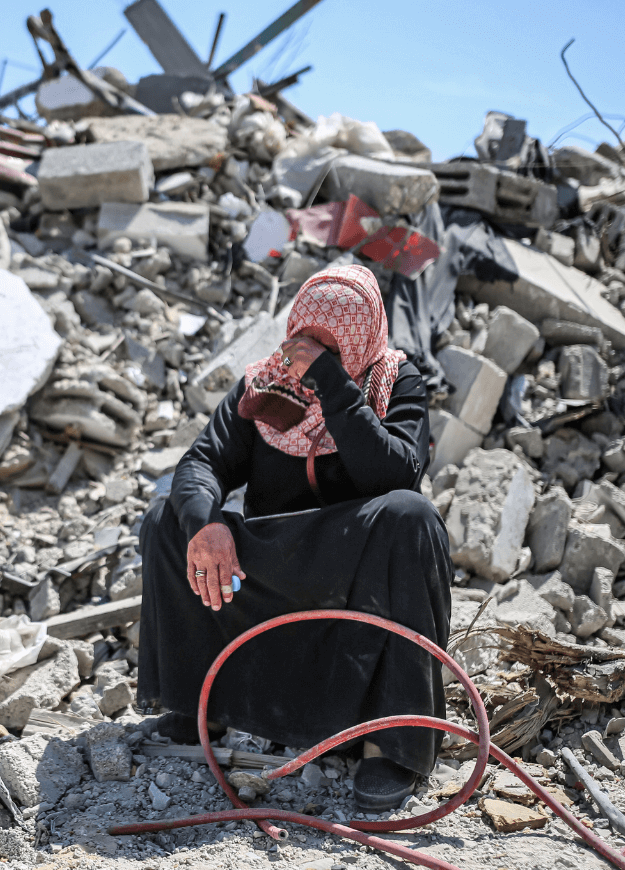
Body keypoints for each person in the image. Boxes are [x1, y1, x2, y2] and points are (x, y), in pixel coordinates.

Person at [136, 264, 452, 811]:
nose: (307, 353)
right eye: (304, 337)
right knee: (169, 520)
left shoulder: (394, 383)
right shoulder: (265, 384)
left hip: (350, 569)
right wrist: (206, 524)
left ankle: (391, 745)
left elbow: (395, 472)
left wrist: (333, 384)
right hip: (276, 563)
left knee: (411, 518)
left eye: (329, 345)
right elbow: (202, 462)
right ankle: (199, 705)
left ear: (359, 339)